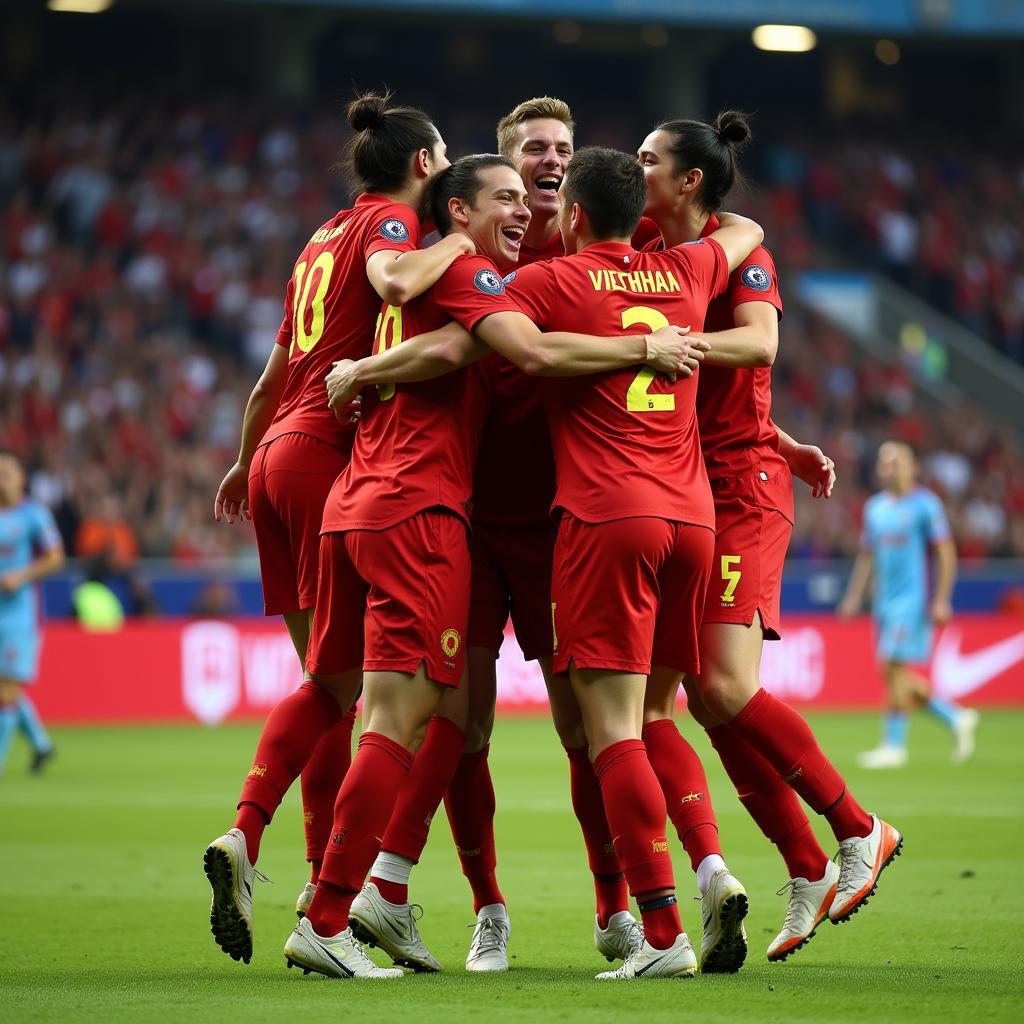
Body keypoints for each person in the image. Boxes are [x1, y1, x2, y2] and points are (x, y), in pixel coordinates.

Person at [284, 153, 699, 981]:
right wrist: (647, 342)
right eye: (506, 193)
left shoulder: (437, 271)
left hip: (371, 506)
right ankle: (343, 909)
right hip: (436, 517)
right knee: (418, 724)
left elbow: (443, 347)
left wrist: (362, 368)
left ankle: (333, 884)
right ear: (461, 207)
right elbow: (528, 354)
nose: (527, 202)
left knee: (387, 711)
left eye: (535, 188)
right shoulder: (482, 273)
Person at [348, 97, 643, 975]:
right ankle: (484, 909)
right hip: (468, 520)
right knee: (458, 722)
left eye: (561, 151)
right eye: (528, 157)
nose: (545, 167)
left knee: (584, 727)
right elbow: (440, 351)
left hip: (565, 522)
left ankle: (615, 907)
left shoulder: (601, 259)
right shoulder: (474, 261)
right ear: (497, 177)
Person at [203, 90, 473, 967]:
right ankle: (331, 897)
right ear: (426, 163)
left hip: (278, 454)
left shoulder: (317, 238)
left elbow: (270, 375)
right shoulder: (392, 228)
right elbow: (397, 285)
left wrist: (247, 462)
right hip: (331, 456)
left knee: (327, 681)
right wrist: (461, 242)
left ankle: (249, 836)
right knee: (348, 690)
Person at [637, 113, 902, 963]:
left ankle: (859, 828)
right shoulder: (645, 240)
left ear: (689, 180)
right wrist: (783, 433)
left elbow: (758, 342)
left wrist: (670, 344)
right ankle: (804, 863)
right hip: (685, 485)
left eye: (650, 160)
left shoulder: (741, 249)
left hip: (739, 489)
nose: (638, 169)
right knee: (708, 708)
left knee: (719, 684)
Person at [840, 439, 975, 767]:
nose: (890, 467)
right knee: (893, 673)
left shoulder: (926, 505)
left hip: (911, 601)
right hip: (883, 604)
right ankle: (954, 716)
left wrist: (942, 599)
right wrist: (855, 595)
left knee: (891, 667)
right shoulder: (875, 508)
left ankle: (894, 746)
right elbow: (867, 555)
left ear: (913, 466)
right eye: (885, 462)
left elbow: (945, 553)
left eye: (897, 460)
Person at [0, 450, 64, 778]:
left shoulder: (33, 514)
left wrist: (20, 576)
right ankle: (40, 743)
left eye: (7, 472)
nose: (1, 478)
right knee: (5, 690)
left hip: (18, 616)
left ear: (21, 478)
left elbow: (56, 557)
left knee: (6, 690)